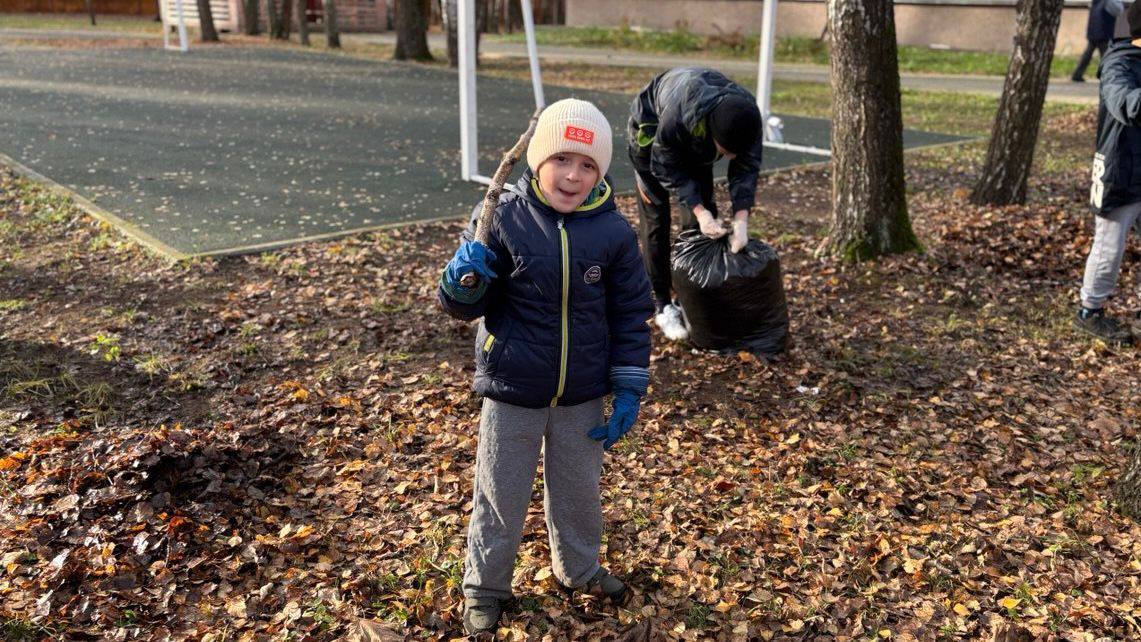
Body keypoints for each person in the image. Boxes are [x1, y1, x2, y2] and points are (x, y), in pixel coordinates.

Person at [438, 99, 654, 635]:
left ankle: (577, 568)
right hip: (513, 382)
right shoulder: (502, 215)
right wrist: (462, 280)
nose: (573, 175)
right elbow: (465, 305)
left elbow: (631, 315)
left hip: (582, 389)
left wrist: (628, 385)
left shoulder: (614, 233)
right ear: (536, 160)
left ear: (601, 173)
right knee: (500, 489)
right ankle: (486, 585)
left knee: (580, 488)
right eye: (562, 159)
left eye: (588, 166)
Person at [627, 67, 765, 341]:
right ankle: (663, 304)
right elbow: (665, 166)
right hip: (651, 139)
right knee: (657, 221)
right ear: (714, 137)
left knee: (702, 227)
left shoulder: (747, 118)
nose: (728, 157)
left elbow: (746, 168)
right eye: (724, 153)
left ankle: (693, 295)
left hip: (698, 146)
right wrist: (699, 211)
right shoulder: (676, 117)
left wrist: (741, 220)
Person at [1077, 2, 1141, 345]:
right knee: (1109, 247)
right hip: (1121, 170)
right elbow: (1126, 104)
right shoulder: (1118, 63)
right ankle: (1091, 310)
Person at [1073, 0, 1124, 83]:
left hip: (1094, 31)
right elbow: (1119, 10)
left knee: (1088, 55)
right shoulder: (1108, 2)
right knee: (1107, 57)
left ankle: (1077, 74)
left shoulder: (1096, 2)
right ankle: (1109, 76)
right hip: (1103, 32)